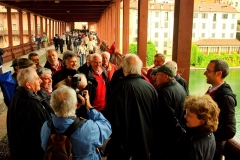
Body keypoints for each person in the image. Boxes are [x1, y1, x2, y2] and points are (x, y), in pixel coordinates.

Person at [105, 54, 158, 160]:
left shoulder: (120, 87)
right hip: (144, 137)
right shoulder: (150, 87)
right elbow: (155, 114)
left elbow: (112, 114)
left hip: (123, 140)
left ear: (124, 68)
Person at [40, 85, 112, 160]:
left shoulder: (46, 126)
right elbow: (107, 127)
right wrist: (89, 107)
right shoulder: (88, 128)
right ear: (76, 105)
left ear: (52, 105)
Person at [7, 67, 54, 160]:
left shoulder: (19, 95)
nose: (40, 80)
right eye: (37, 78)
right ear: (28, 85)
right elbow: (37, 134)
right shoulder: (28, 104)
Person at [151, 64, 187, 160]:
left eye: (158, 75)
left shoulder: (164, 92)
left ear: (165, 76)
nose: (155, 77)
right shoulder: (179, 87)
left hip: (166, 136)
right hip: (176, 136)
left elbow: (168, 117)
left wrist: (180, 130)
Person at [204, 59, 237, 160]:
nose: (204, 73)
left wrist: (207, 137)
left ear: (218, 73)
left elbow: (230, 130)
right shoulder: (212, 90)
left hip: (213, 148)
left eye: (208, 71)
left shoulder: (225, 98)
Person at [170, 95, 220, 160]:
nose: (185, 116)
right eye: (186, 113)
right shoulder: (210, 135)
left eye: (189, 115)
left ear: (202, 121)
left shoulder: (193, 145)